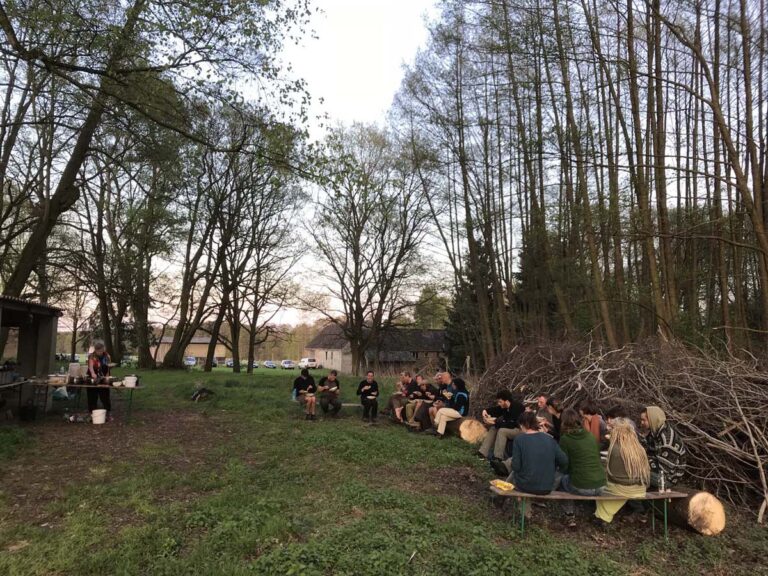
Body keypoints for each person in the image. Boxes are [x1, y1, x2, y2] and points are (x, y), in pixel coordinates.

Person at [594, 418, 650, 525]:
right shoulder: (639, 447)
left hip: (622, 488)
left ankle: (602, 517)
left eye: (612, 429)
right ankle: (603, 516)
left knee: (601, 488)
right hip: (640, 489)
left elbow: (611, 474)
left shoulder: (615, 448)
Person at [558, 409, 607, 527]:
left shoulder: (565, 439)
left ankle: (569, 515)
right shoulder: (590, 436)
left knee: (562, 480)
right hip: (601, 484)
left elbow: (564, 464)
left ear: (563, 423)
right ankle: (600, 516)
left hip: (583, 486)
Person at [504, 411, 568, 495]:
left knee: (515, 473)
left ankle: (501, 498)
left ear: (523, 424)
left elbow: (516, 466)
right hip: (547, 488)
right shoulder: (550, 439)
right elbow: (564, 461)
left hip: (525, 486)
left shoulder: (519, 439)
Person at [639, 406, 687, 489]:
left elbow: (662, 470)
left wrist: (642, 464)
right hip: (657, 472)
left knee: (634, 474)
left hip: (668, 479)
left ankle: (635, 501)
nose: (641, 423)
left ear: (652, 419)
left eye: (644, 420)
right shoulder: (655, 433)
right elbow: (648, 452)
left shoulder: (667, 441)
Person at [478, 389, 524, 461]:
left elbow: (511, 424)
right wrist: (485, 411)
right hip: (511, 427)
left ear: (506, 401)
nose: (499, 403)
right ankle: (483, 452)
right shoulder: (504, 407)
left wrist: (495, 422)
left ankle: (498, 457)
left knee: (502, 431)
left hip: (520, 429)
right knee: (494, 428)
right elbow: (495, 410)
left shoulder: (517, 407)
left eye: (500, 402)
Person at [87, 341, 112, 419]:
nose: (100, 352)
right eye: (98, 351)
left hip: (103, 377)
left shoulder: (107, 356)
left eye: (101, 350)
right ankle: (92, 413)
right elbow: (91, 367)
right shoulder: (91, 356)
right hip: (93, 377)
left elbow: (108, 367)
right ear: (96, 350)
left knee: (105, 396)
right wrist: (93, 374)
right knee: (92, 396)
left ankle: (107, 413)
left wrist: (107, 377)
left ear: (103, 349)